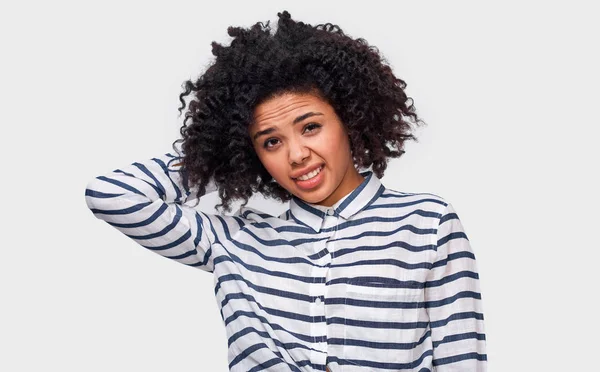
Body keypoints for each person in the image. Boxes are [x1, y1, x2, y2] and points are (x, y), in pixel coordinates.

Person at [85, 10, 487, 372]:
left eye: (310, 127)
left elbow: (461, 362)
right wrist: (217, 157)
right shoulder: (237, 241)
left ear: (349, 119)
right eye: (270, 142)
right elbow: (111, 195)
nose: (296, 154)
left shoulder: (427, 224)